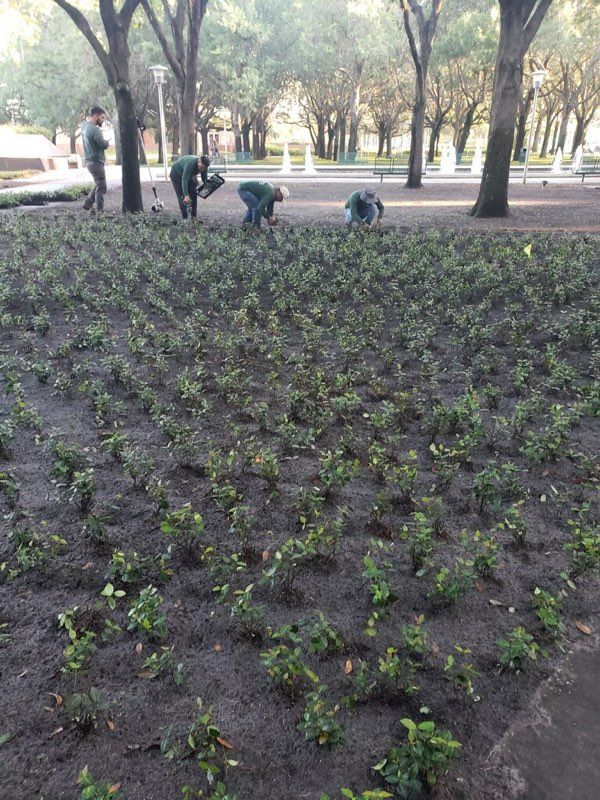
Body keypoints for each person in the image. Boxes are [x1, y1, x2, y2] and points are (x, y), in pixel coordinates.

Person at [81, 106, 110, 212]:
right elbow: (102, 144)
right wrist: (107, 143)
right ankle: (99, 210)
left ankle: (87, 205)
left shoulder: (84, 127)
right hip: (96, 161)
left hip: (88, 161)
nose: (103, 120)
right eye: (102, 118)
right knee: (102, 186)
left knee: (98, 184)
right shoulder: (95, 129)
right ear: (96, 115)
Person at [169, 155, 210, 220]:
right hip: (176, 174)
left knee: (194, 194)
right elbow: (184, 180)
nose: (202, 170)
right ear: (199, 161)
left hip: (189, 175)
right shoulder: (190, 164)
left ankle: (193, 216)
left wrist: (208, 185)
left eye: (204, 168)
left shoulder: (205, 167)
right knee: (181, 196)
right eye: (201, 167)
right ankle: (185, 217)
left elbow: (204, 178)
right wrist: (186, 195)